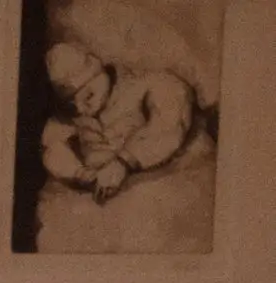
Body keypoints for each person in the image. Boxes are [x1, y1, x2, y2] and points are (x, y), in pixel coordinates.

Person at [41, 42, 198, 203]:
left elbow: (171, 121)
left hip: (157, 187)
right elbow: (52, 146)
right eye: (72, 105)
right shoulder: (69, 116)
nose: (81, 109)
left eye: (88, 96)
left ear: (102, 73)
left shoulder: (145, 84)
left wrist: (124, 161)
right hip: (100, 198)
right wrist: (78, 173)